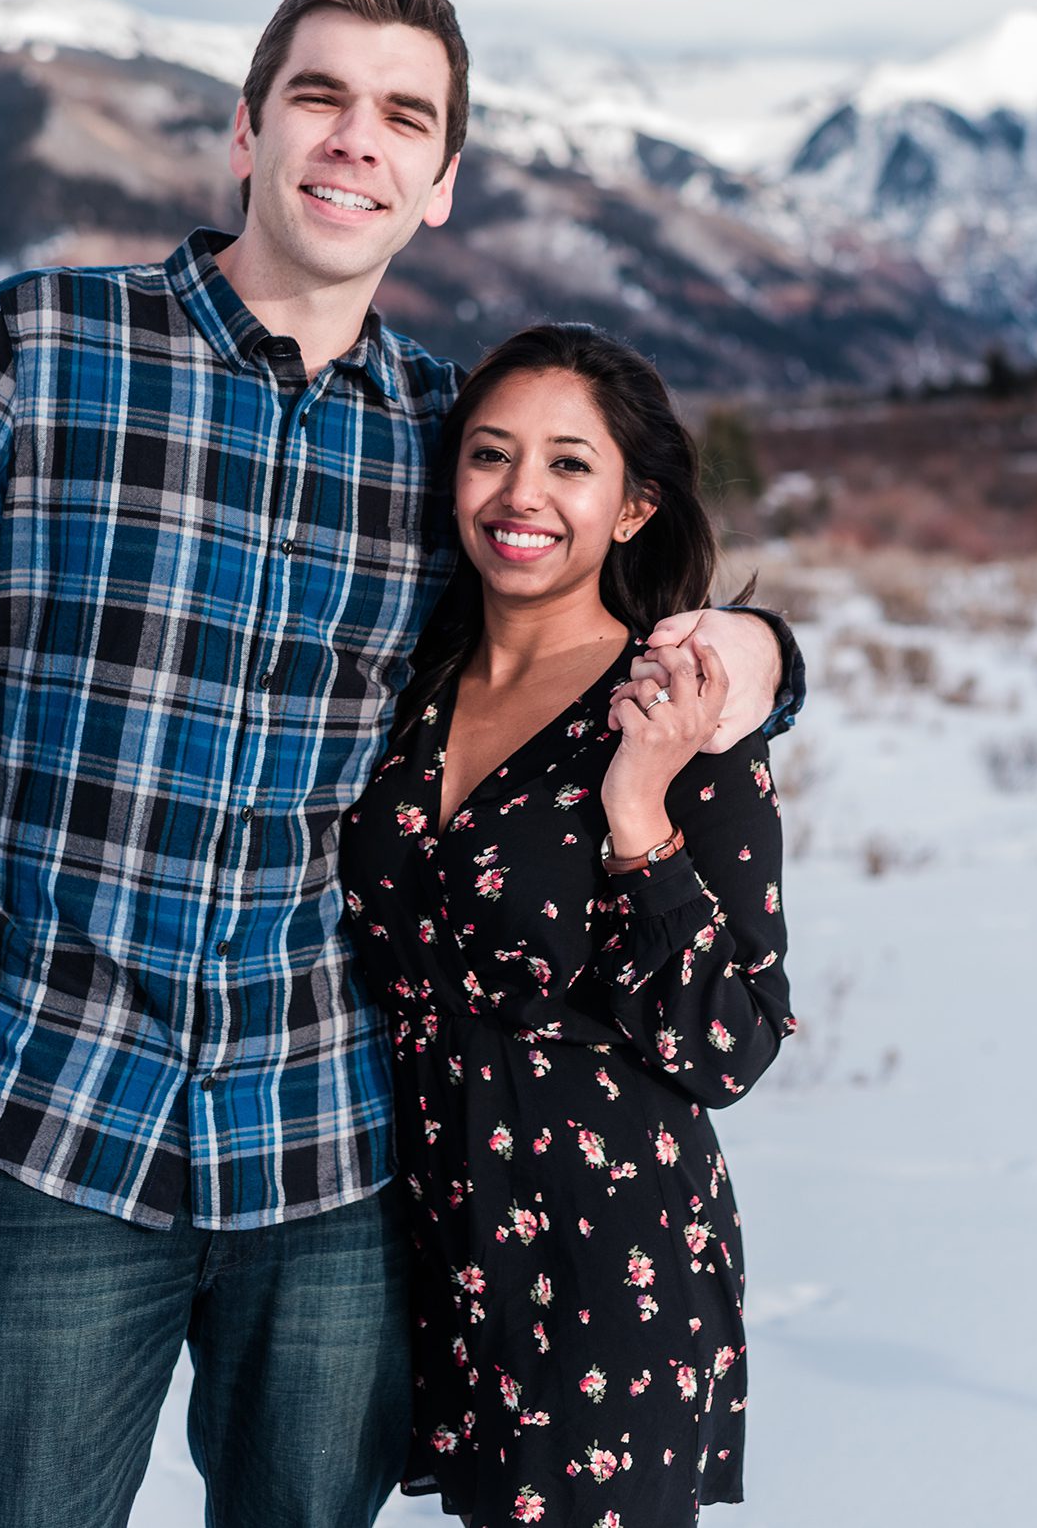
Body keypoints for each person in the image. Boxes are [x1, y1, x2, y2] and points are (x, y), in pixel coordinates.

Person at [0, 0, 801, 1528]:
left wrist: (756, 647)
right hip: (53, 1103)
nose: (356, 138)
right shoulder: (44, 346)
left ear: (442, 182)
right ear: (247, 130)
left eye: (403, 115)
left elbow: (579, 608)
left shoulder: (435, 435)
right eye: (319, 96)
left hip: (326, 1144)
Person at [338, 322, 796, 1526]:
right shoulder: (405, 688)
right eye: (489, 456)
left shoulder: (677, 709)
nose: (520, 495)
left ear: (635, 508)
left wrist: (638, 809)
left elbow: (734, 1045)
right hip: (415, 1225)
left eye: (569, 464)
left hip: (605, 1255)